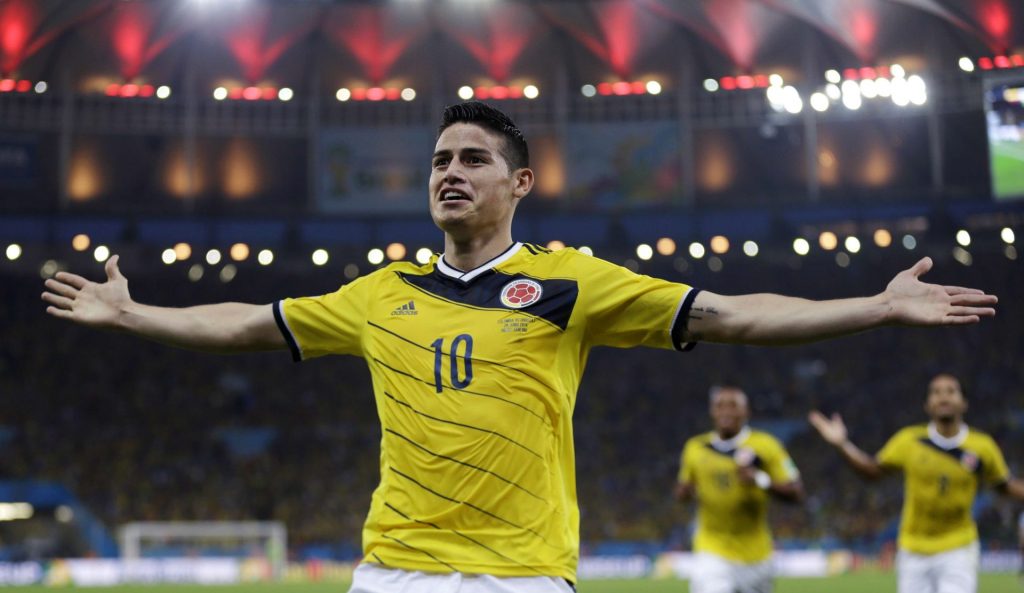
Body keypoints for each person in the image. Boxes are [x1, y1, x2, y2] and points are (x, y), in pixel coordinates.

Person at [42, 101, 997, 593]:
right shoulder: (380, 294)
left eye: (471, 159)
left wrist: (875, 305)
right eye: (438, 162)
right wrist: (133, 315)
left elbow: (729, 314)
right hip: (394, 569)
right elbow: (248, 324)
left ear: (520, 179)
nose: (449, 174)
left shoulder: (572, 282)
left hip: (522, 572)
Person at [808, 373, 1024, 593]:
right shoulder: (909, 441)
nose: (943, 397)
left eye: (951, 391)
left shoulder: (982, 447)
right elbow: (871, 472)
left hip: (958, 548)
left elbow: (1004, 486)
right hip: (913, 549)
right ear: (927, 404)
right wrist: (842, 445)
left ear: (964, 403)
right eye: (936, 392)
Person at [674, 385, 803, 593]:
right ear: (712, 411)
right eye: (719, 406)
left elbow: (797, 492)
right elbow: (682, 490)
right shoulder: (695, 448)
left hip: (756, 556)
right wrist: (685, 492)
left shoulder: (767, 445)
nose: (726, 411)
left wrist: (760, 479)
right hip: (712, 551)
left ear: (746, 412)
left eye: (733, 405)